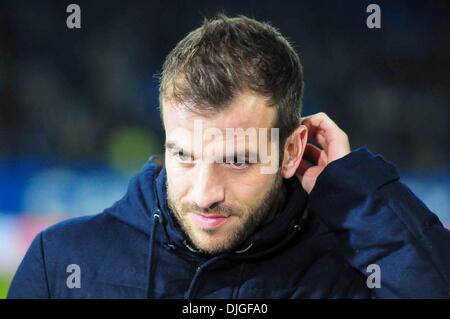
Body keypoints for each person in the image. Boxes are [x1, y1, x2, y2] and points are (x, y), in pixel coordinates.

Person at [8, 15, 450, 299]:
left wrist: (358, 192)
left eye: (237, 161)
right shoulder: (62, 262)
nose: (204, 195)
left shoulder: (348, 272)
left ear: (291, 150)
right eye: (183, 154)